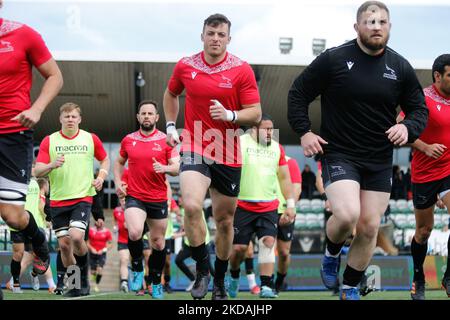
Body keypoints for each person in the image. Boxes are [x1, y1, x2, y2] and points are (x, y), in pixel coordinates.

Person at [287, 1, 428, 300]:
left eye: (382, 22)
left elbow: (418, 110)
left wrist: (408, 128)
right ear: (357, 27)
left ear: (389, 27)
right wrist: (304, 131)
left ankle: (349, 287)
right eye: (370, 21)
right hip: (339, 153)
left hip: (378, 159)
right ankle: (331, 251)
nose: (376, 26)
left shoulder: (400, 67)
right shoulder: (334, 59)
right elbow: (298, 93)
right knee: (349, 214)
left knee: (369, 226)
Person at [163, 13, 261, 300]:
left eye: (221, 35)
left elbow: (255, 113)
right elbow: (171, 94)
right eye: (211, 33)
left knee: (225, 221)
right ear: (202, 35)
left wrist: (231, 115)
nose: (215, 39)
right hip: (194, 144)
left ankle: (219, 280)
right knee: (192, 206)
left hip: (228, 149)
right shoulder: (186, 65)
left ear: (229, 39)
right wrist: (170, 126)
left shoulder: (242, 70)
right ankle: (203, 271)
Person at [0, 0, 63, 281]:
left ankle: (40, 244)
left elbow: (55, 76)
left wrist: (36, 109)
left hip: (13, 135)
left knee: (12, 216)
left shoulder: (24, 34)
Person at [34, 102, 110, 297]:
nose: (70, 119)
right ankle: (75, 286)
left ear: (79, 119)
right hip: (58, 200)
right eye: (66, 116)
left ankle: (83, 279)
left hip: (83, 197)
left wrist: (101, 177)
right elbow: (37, 170)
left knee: (76, 237)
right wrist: (52, 164)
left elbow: (105, 159)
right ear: (60, 119)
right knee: (65, 246)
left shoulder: (90, 138)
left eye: (73, 116)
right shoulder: (49, 141)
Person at [113, 100, 180, 300]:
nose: (147, 116)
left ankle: (156, 281)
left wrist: (165, 168)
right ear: (138, 117)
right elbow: (118, 162)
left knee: (158, 244)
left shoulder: (167, 140)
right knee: (134, 232)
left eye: (151, 113)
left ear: (157, 117)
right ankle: (136, 268)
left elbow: (177, 167)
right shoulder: (128, 140)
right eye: (143, 113)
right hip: (135, 195)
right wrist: (117, 182)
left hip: (158, 197)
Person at [397, 54, 450, 300]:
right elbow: (399, 130)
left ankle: (448, 276)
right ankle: (418, 277)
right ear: (437, 76)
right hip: (425, 173)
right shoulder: (422, 98)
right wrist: (425, 147)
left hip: (449, 171)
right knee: (424, 231)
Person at [228, 114, 295, 299]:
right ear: (254, 129)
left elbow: (284, 178)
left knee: (268, 243)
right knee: (239, 250)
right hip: (242, 205)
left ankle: (266, 285)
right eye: (266, 129)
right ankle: (233, 276)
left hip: (268, 206)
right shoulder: (239, 143)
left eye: (271, 129)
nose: (270, 133)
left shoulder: (277, 148)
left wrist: (290, 204)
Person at [6, 176, 56, 293]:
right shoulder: (37, 187)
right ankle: (49, 284)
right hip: (35, 225)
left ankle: (26, 278)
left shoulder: (21, 183)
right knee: (41, 256)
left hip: (25, 222)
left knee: (32, 256)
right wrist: (47, 219)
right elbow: (41, 206)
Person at [274, 155, 302, 294]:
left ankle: (278, 283)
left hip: (285, 211)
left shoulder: (291, 161)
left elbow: (296, 187)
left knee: (284, 253)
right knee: (265, 244)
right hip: (266, 209)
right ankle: (265, 283)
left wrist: (289, 208)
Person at [87, 223, 112, 293]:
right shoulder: (91, 230)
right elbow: (86, 242)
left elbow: (111, 243)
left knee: (100, 269)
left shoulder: (107, 231)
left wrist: (103, 250)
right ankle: (94, 276)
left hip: (102, 254)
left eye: (101, 221)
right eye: (98, 221)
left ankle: (96, 285)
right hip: (92, 253)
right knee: (93, 272)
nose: (100, 223)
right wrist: (92, 249)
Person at [113, 197, 130, 293]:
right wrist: (115, 229)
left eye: (125, 199)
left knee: (137, 263)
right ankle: (124, 282)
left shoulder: (134, 211)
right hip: (122, 240)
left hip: (134, 241)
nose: (123, 201)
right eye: (121, 199)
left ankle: (143, 284)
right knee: (124, 260)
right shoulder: (116, 211)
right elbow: (115, 223)